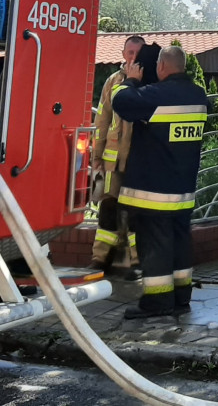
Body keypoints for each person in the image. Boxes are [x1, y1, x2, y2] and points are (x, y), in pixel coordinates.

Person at [112, 45, 208, 319]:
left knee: (154, 245)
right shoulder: (198, 96)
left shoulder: (157, 95)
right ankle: (180, 297)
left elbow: (121, 101)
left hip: (154, 192)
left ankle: (157, 301)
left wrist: (131, 79)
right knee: (179, 244)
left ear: (162, 66)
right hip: (183, 191)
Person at [88, 35, 144, 276]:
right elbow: (102, 119)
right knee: (108, 208)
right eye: (130, 52)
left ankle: (138, 260)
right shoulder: (113, 81)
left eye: (138, 53)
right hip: (112, 162)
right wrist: (96, 156)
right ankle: (100, 258)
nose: (133, 57)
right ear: (123, 54)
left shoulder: (148, 81)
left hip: (138, 161)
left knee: (136, 211)